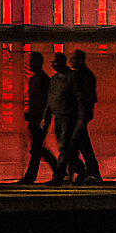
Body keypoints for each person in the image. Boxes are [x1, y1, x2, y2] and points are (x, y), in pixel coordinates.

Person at [18, 51, 57, 184]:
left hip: (39, 117)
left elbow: (45, 101)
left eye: (32, 61)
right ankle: (58, 170)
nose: (30, 64)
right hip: (36, 116)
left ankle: (33, 176)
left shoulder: (42, 80)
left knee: (37, 147)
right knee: (37, 147)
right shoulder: (38, 79)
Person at [45, 52, 80, 185]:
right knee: (65, 148)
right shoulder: (54, 79)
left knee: (64, 147)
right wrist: (46, 115)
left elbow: (78, 97)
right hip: (58, 116)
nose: (53, 64)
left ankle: (58, 177)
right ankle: (81, 170)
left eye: (55, 61)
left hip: (68, 116)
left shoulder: (71, 77)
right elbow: (50, 99)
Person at [70, 50, 101, 181]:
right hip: (80, 115)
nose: (71, 61)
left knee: (75, 144)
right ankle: (88, 171)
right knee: (81, 144)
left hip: (79, 115)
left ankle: (83, 170)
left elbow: (88, 98)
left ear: (80, 60)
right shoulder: (84, 75)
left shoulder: (82, 76)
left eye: (73, 59)